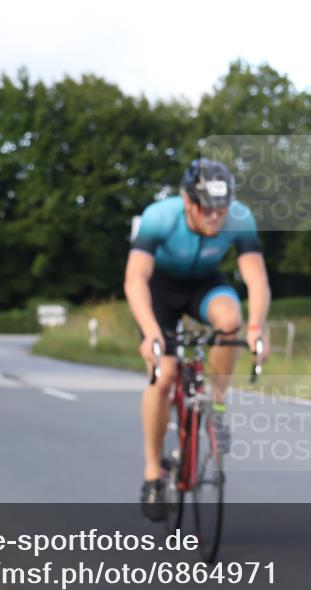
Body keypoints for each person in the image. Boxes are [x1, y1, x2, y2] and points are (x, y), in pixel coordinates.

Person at [124, 159, 270, 521]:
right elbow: (135, 278)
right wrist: (151, 332)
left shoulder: (239, 218)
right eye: (207, 208)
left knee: (231, 321)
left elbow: (256, 279)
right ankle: (153, 473)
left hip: (205, 284)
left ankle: (216, 407)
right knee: (164, 377)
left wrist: (256, 329)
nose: (216, 216)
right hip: (160, 291)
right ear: (188, 202)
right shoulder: (160, 217)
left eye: (222, 208)